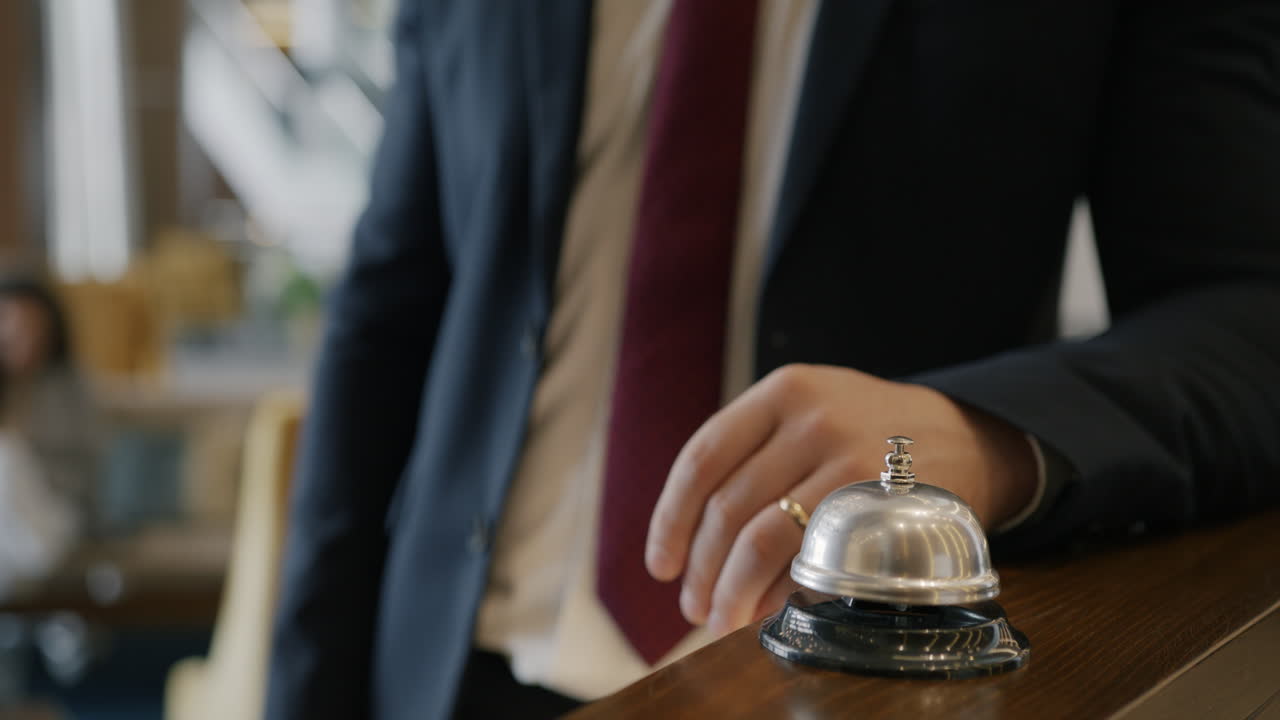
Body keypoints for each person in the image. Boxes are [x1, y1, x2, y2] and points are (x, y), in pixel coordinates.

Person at [267, 1, 1280, 719]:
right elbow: (386, 320)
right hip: (452, 673)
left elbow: (1247, 316)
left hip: (842, 682)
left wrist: (987, 435)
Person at [0, 275, 99, 598]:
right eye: (12, 327)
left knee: (9, 460)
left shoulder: (71, 392)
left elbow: (84, 472)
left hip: (53, 511)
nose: (24, 339)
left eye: (33, 328)